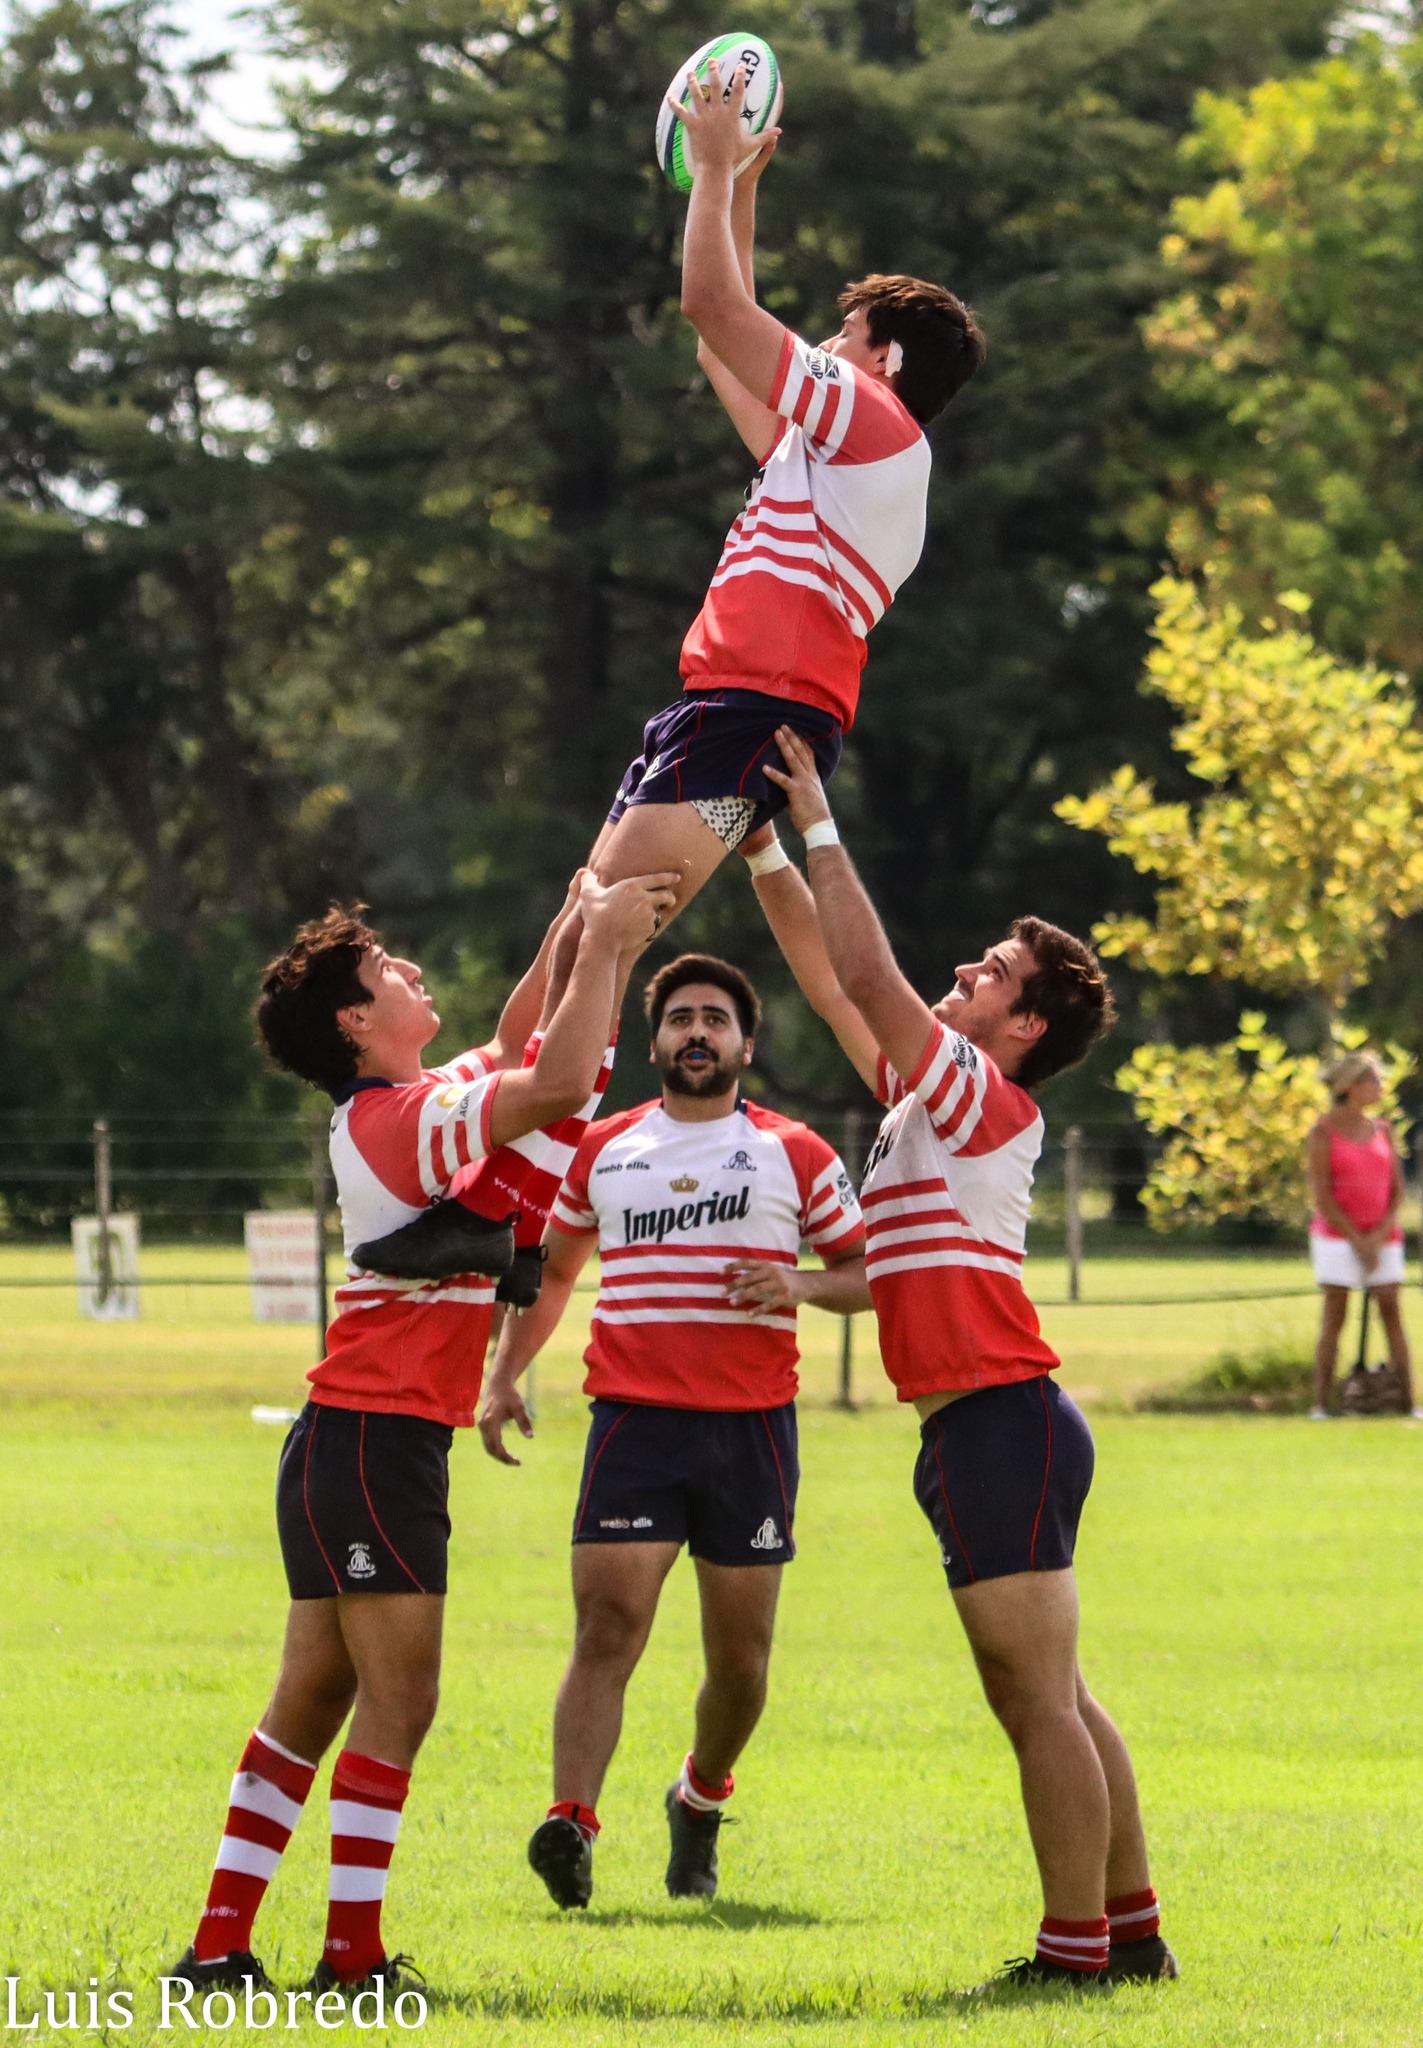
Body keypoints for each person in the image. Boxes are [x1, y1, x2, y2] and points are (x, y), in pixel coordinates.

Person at [167, 870, 675, 2002]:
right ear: (355, 1019)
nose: (409, 969)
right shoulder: (397, 1118)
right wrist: (602, 946)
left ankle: (217, 1951)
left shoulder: (406, 1101)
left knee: (311, 1697)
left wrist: (572, 919)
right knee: (401, 1700)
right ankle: (349, 1962)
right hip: (374, 1442)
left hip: (350, 1441)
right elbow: (547, 1079)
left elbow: (514, 1044)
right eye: (388, 968)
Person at [739, 728, 1176, 1991]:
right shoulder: (927, 1105)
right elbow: (829, 979)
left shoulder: (984, 1091)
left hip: (1001, 1420)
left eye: (987, 972)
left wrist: (820, 820)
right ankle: (1129, 1932)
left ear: (1021, 1024)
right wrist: (758, 837)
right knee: (1056, 1693)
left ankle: (1074, 1954)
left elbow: (866, 972)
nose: (961, 974)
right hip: (976, 1425)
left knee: (1034, 1699)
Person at [476, 953, 867, 1909]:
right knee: (607, 1627)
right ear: (654, 1041)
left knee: (740, 1662)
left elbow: (871, 1275)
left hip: (751, 1435)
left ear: (744, 1042)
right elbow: (557, 1273)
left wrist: (803, 1284)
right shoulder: (602, 1149)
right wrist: (501, 1373)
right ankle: (571, 1821)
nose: (697, 1032)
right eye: (680, 1018)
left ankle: (698, 1797)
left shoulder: (796, 1152)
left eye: (715, 1019)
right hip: (634, 1428)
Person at [582, 64, 985, 932]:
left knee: (598, 940)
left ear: (887, 364)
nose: (828, 343)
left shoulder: (877, 422)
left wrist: (716, 165)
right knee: (578, 941)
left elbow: (708, 305)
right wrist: (738, 192)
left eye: (846, 335)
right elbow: (719, 349)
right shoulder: (832, 454)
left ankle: (546, 1077)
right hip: (728, 710)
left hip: (755, 714)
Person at [1306, 1050, 1416, 1419]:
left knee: (1392, 1312)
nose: (1380, 1087)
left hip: (1384, 1237)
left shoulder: (1383, 1130)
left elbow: (1397, 1190)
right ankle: (1321, 1404)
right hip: (1337, 1238)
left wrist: (1378, 1234)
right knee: (1335, 1315)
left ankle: (1408, 1402)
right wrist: (1356, 1238)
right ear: (1351, 1087)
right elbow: (1322, 1195)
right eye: (1374, 1080)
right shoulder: (1322, 1133)